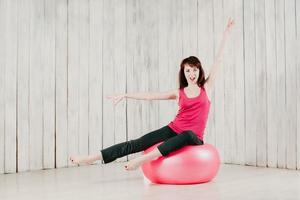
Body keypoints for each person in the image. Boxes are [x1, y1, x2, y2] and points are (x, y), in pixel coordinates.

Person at [70, 18, 235, 171]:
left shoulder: (207, 87)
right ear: (183, 73)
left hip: (193, 137)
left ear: (199, 71)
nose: (191, 74)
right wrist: (126, 95)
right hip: (173, 129)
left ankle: (142, 161)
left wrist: (226, 35)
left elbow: (218, 60)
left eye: (194, 70)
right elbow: (151, 96)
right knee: (137, 143)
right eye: (188, 70)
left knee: (188, 134)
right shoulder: (178, 93)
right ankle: (90, 157)